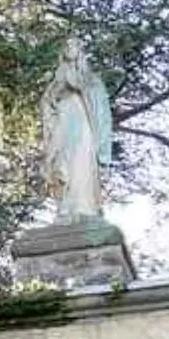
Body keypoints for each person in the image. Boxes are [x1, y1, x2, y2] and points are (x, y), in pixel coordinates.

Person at [40, 39, 112, 221]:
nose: (69, 48)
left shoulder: (90, 79)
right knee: (62, 161)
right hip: (62, 123)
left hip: (82, 123)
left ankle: (84, 206)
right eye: (67, 46)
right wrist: (55, 96)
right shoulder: (57, 81)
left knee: (81, 160)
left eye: (73, 46)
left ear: (80, 51)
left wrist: (79, 87)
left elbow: (100, 105)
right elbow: (47, 103)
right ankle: (66, 206)